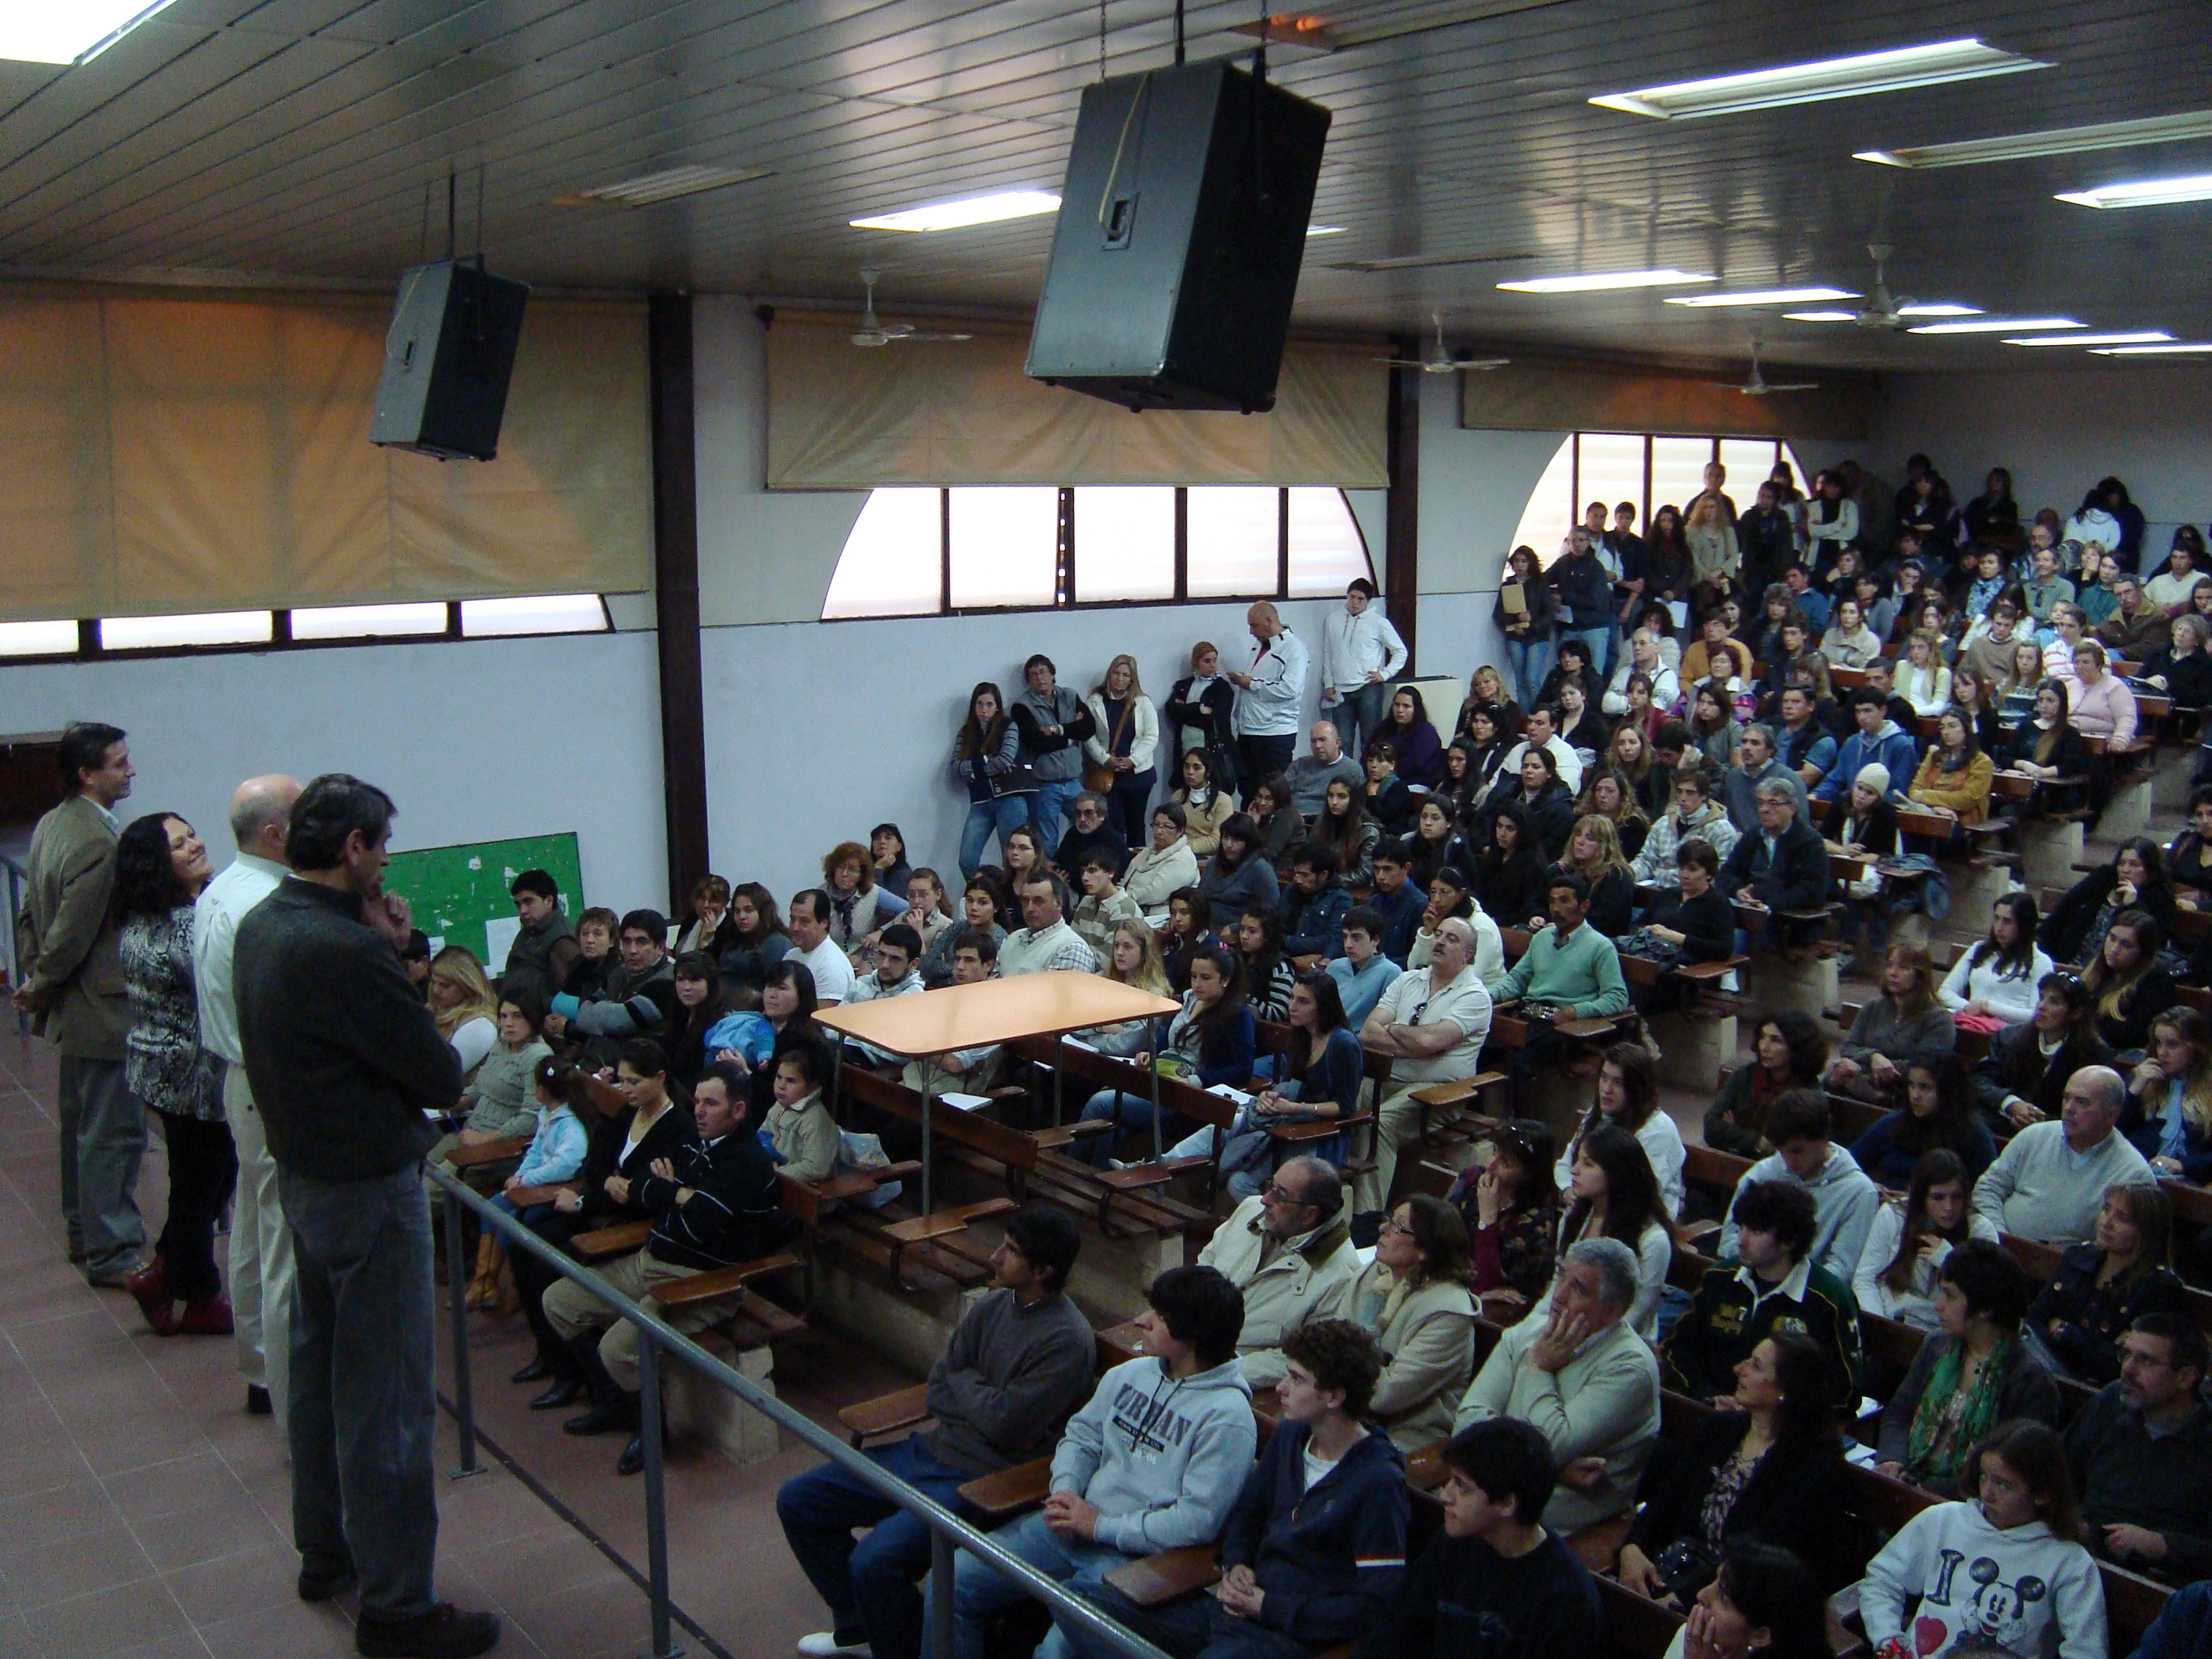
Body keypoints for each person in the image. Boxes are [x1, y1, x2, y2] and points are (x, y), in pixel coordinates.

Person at [230, 773, 499, 1656]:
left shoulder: (268, 922)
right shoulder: (347, 953)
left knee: (316, 1375)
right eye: (382, 847)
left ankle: (327, 1553)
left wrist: (369, 938)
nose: (386, 864)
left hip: (306, 1178)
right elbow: (437, 1073)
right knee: (386, 1401)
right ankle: (397, 1609)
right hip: (370, 1190)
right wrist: (387, 953)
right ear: (352, 848)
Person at [781, 1208, 1094, 1659]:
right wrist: (979, 1397)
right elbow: (938, 1389)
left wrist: (967, 1388)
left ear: (1043, 1270)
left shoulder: (1066, 1341)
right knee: (799, 1501)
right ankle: (862, 1627)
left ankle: (905, 1647)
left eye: (1010, 1251)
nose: (995, 1256)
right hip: (931, 1449)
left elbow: (1005, 1426)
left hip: (981, 1479)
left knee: (875, 1562)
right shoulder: (991, 1307)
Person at [945, 1266, 1256, 1659]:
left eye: (1157, 1316)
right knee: (952, 1580)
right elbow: (1082, 1437)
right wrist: (1065, 1492)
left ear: (1190, 1338)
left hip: (1136, 1558)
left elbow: (1197, 1521)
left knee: (1055, 1653)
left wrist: (1100, 1526)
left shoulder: (1228, 1419)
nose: (1141, 1320)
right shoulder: (1132, 1372)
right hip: (1069, 1524)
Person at [1056, 1318, 1407, 1659]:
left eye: (1297, 1379)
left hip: (1283, 1637)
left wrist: (1269, 1606)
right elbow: (1249, 1514)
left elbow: (1374, 1605)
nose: (1281, 1387)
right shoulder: (1291, 1436)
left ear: (1333, 1396)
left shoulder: (1378, 1482)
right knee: (1079, 1602)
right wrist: (1237, 1563)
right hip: (1230, 1609)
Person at [544, 1060, 795, 1474]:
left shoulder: (746, 1163)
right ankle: (616, 1402)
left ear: (738, 1110)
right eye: (697, 1101)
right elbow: (640, 1184)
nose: (698, 1111)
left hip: (703, 1281)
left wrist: (672, 1190)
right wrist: (678, 1192)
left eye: (711, 1104)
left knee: (618, 1348)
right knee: (558, 1302)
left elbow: (700, 1220)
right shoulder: (697, 1143)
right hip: (652, 1261)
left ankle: (651, 1427)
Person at [13, 722, 143, 1287]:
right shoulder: (97, 841)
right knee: (112, 1133)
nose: (130, 770)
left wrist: (37, 977)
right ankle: (112, 1249)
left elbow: (27, 916)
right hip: (102, 1006)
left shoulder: (51, 823)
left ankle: (82, 1233)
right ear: (88, 774)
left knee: (80, 1128)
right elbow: (72, 929)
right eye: (119, 763)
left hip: (72, 1004)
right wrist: (42, 981)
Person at [192, 773, 302, 1422]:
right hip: (267, 1078)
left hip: (240, 1077)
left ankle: (260, 1365)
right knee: (280, 1238)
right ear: (273, 833)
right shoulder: (265, 904)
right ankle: (293, 1404)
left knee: (255, 1229)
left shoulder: (221, 889)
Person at [1619, 1332, 1851, 1606]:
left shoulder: (1813, 1465)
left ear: (1785, 1390)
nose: (1738, 1369)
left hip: (1736, 1599)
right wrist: (1632, 1549)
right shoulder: (1721, 1429)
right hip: (1672, 1567)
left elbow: (1760, 1557)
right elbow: (1666, 1500)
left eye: (1755, 1365)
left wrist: (1681, 1598)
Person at [113, 811, 234, 1337]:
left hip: (156, 1071)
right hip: (192, 1078)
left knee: (198, 1183)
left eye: (192, 835)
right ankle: (199, 1293)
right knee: (202, 1187)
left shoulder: (141, 920)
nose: (195, 845)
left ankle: (163, 1273)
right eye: (180, 844)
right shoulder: (187, 925)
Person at [1453, 1237, 1661, 1536]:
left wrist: (1539, 1368)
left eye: (1578, 1288)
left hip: (1555, 1530)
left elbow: (1554, 1444)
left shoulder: (1630, 1368)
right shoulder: (1530, 1331)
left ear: (1613, 1311)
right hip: (1488, 1502)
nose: (1559, 1296)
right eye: (1561, 1276)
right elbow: (1466, 1422)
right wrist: (1557, 1471)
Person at [1352, 1417, 1601, 1659]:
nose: (1445, 1495)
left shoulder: (1566, 1600)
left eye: (1462, 1487)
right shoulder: (1454, 1543)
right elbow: (1396, 1632)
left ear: (1506, 1503)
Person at [1859, 1421, 2106, 1659]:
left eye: (2003, 1485)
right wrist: (1888, 1641)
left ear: (2042, 1494)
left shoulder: (2068, 1561)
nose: (1987, 1494)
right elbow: (1882, 1580)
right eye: (1984, 1476)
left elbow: (2086, 1651)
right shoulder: (1944, 1520)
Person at [1876, 1241, 2059, 1496]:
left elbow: (2014, 1471)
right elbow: (1900, 1413)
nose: (1938, 1305)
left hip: (1971, 1505)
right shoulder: (1936, 1345)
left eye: (1950, 1295)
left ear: (1985, 1308)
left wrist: (1931, 1490)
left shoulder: (2028, 1378)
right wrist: (1892, 1460)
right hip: (1909, 1480)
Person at [1664, 1179, 1861, 1410]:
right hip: (1710, 1410)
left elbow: (1843, 1389)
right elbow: (1678, 1348)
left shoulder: (1829, 1299)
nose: (1741, 1241)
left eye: (1756, 1231)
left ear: (1789, 1241)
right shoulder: (1720, 1278)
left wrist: (1769, 1412)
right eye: (1741, 1228)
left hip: (1784, 1428)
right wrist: (1706, 1396)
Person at [1355, 917, 1494, 1226]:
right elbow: (1368, 1031)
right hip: (1387, 1078)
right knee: (1342, 1104)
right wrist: (1413, 1044)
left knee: (1378, 1126)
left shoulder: (1474, 996)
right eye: (1439, 935)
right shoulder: (1408, 980)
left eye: (1453, 939)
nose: (1441, 942)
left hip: (1437, 1093)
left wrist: (1396, 1032)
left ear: (1469, 956)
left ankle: (1367, 1221)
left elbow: (1431, 1040)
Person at [1069, 944, 1253, 1165]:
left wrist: (1197, 1080)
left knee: (1102, 1103)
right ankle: (1091, 1180)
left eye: (1205, 978)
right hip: (1161, 1076)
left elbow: (1243, 1070)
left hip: (1185, 1097)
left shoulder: (1238, 1016)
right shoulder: (1189, 1000)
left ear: (1225, 980)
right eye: (1194, 977)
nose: (1197, 984)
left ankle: (1068, 1166)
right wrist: (1150, 1053)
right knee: (1110, 1129)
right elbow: (1167, 1039)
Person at [2064, 1313, 2212, 1585]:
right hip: (2081, 1559)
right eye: (2126, 1354)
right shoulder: (2111, 1402)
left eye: (2145, 1360)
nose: (2128, 1370)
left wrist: (2163, 1545)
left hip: (2162, 1585)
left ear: (2186, 1377)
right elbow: (2059, 1472)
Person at [1194, 1156, 1362, 1388]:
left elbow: (1300, 1358)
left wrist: (1213, 1373)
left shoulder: (1342, 1275)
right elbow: (1207, 1261)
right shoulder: (1250, 1210)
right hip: (1185, 1342)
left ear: (1309, 1215)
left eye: (1280, 1196)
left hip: (1232, 1380)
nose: (1265, 1199)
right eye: (1269, 1186)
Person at [1344, 1194, 1478, 1450]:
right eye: (1389, 1220)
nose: (1383, 1228)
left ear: (1426, 1249)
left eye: (1398, 1226)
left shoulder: (1450, 1311)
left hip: (1407, 1435)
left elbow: (1386, 1394)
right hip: (1345, 1408)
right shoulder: (1373, 1273)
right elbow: (1329, 1340)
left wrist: (1333, 1375)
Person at [2026, 1183, 2188, 1385]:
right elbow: (2035, 1318)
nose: (2107, 1222)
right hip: (2044, 1363)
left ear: (2147, 1232)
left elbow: (2116, 1362)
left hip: (2102, 1389)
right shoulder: (2079, 1257)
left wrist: (2063, 1332)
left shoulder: (2159, 1287)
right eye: (2106, 1210)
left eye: (2122, 1218)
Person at [1973, 1066, 2155, 1244]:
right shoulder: (2035, 1135)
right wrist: (1998, 1239)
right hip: (2000, 1252)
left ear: (2111, 1115)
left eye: (2082, 1102)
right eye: (2066, 1098)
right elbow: (1988, 1189)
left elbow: (2127, 1244)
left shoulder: (2133, 1173)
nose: (2069, 1108)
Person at [1715, 1091, 1881, 1282]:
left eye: (1797, 1151)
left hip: (1810, 1298)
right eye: (1781, 1151)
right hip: (1749, 1280)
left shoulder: (1858, 1191)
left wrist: (1784, 1280)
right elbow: (1729, 1241)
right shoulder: (1761, 1174)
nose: (1789, 1162)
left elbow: (1842, 1269)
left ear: (1823, 1139)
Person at [1856, 1149, 2002, 1331]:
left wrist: (1950, 1261)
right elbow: (1865, 1278)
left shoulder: (1980, 1229)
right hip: (1890, 1319)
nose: (1948, 1207)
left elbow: (1990, 1296)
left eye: (1957, 1197)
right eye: (1938, 1198)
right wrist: (1880, 1325)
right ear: (1921, 1196)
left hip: (1945, 1332)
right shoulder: (1895, 1215)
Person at [1550, 1125, 1675, 1338]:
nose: (1574, 1170)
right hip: (1562, 1332)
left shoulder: (1653, 1240)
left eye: (1588, 1164)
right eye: (1577, 1160)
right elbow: (1555, 1291)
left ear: (1616, 1173)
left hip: (1618, 1348)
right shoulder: (1574, 1218)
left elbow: (1633, 1317)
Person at [1555, 1041, 1684, 1220]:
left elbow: (1642, 1195)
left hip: (1640, 1223)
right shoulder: (1597, 1114)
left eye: (1618, 1083)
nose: (1607, 1090)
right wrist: (1568, 1190)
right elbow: (1566, 1163)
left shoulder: (1659, 1130)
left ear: (1637, 1088)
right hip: (1591, 1210)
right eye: (1604, 1078)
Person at [1974, 973, 2112, 1133]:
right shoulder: (2008, 1038)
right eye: (2041, 998)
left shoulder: (2094, 1055)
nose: (2041, 1006)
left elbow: (2092, 1111)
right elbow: (1980, 1080)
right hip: (2004, 1120)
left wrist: (2039, 1121)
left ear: (2076, 1013)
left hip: (2059, 1133)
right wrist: (2010, 1103)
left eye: (2054, 1002)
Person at [1452, 1118, 1560, 1309]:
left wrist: (1487, 1219)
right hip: (1449, 1288)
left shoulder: (1535, 1222)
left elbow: (1490, 1282)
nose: (1490, 1166)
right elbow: (1433, 1237)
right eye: (1494, 1151)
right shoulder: (1471, 1178)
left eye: (1505, 1163)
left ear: (1527, 1174)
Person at [1827, 945, 1956, 1104]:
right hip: (1862, 1081)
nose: (1893, 973)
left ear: (1920, 976)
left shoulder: (1938, 1019)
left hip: (1907, 1093)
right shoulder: (1873, 1007)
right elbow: (1849, 1047)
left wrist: (1866, 1067)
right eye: (1890, 965)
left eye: (1903, 968)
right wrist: (1873, 1057)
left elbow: (1927, 1066)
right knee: (1833, 1078)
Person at [1851, 1057, 1997, 1189]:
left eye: (1925, 1088)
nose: (1915, 1096)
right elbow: (1851, 1164)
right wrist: (1875, 1188)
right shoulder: (1896, 1122)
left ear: (1947, 1092)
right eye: (1911, 1086)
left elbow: (1986, 1189)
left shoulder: (1974, 1134)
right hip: (1888, 1205)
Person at [1012, 654, 1100, 857]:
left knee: (1090, 830)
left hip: (1074, 780)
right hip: (1045, 784)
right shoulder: (1022, 706)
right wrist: (1071, 734)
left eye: (1043, 672)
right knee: (1047, 841)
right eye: (1033, 675)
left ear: (1053, 674)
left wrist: (1055, 730)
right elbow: (1035, 743)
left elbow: (1088, 728)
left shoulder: (1070, 696)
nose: (1039, 678)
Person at [547, 907, 677, 1043]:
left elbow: (617, 1022)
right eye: (627, 942)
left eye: (641, 942)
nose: (632, 950)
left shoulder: (664, 982)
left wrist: (600, 1013)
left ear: (661, 948)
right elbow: (583, 1016)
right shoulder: (619, 973)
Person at [1228, 601, 1310, 800]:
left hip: (1275, 734)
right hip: (1248, 729)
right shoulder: (1259, 646)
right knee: (1248, 789)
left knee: (1273, 793)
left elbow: (1290, 689)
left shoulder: (1294, 649)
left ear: (1269, 621)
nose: (1250, 631)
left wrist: (1251, 684)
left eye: (1254, 625)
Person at [1320, 578, 1411, 758]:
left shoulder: (1379, 623)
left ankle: (1370, 781)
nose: (1354, 602)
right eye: (1352, 597)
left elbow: (1401, 651)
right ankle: (1345, 783)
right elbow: (1328, 653)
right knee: (1342, 741)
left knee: (1370, 740)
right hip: (1341, 689)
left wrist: (1385, 674)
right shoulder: (1333, 620)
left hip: (1368, 687)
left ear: (1368, 601)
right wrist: (1328, 683)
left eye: (1360, 599)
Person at [954, 681, 1036, 878]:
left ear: (997, 706)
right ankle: (989, 897)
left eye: (989, 704)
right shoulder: (966, 732)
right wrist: (985, 762)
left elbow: (1005, 759)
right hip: (980, 801)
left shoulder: (1009, 726)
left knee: (1013, 860)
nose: (984, 710)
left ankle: (1012, 901)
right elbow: (956, 768)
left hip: (1009, 797)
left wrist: (974, 769)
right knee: (967, 860)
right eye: (979, 704)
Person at [1941, 893, 2053, 1031]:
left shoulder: (2041, 962)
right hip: (1970, 1023)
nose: (1999, 927)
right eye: (1996, 919)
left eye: (2007, 921)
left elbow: (2035, 1014)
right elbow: (1945, 991)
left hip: (2009, 1033)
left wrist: (1988, 1007)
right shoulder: (1979, 949)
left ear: (2024, 925)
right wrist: (1967, 1007)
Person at [2123, 1007, 2212, 1179]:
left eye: (2172, 1045)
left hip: (2191, 1180)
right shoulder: (2143, 1079)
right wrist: (2134, 1092)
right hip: (2139, 1172)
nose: (2162, 1053)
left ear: (2196, 1047)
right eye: (2158, 1043)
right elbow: (2113, 1134)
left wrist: (2184, 1165)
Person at [1084, 652, 1161, 845]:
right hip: (1109, 774)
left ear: (1132, 679)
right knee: (1113, 825)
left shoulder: (1143, 702)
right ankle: (1115, 868)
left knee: (1136, 824)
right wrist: (1104, 759)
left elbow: (1151, 736)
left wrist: (1133, 760)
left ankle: (1137, 868)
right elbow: (1088, 735)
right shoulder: (1095, 701)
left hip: (1138, 773)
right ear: (1109, 676)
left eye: (1125, 675)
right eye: (1116, 673)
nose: (1120, 679)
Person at [2077, 910, 2178, 1056]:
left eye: (2126, 945)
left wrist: (2084, 1026)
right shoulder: (2096, 970)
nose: (2114, 949)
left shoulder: (2156, 981)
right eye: (2112, 938)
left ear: (2143, 952)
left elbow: (2136, 1034)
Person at [1631, 766, 1740, 890]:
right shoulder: (1663, 824)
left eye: (1690, 793)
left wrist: (1666, 876)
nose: (1683, 798)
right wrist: (1628, 874)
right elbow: (1646, 860)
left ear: (1703, 796)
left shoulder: (1722, 830)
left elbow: (1719, 875)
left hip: (1697, 897)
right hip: (1657, 892)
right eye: (1679, 791)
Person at [998, 871, 1104, 976]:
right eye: (1025, 900)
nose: (1029, 908)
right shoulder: (1012, 939)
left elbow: (1057, 993)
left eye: (1038, 901)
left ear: (1058, 903)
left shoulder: (1072, 949)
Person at [500, 867, 578, 1001]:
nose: (523, 910)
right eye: (518, 905)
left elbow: (572, 995)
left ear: (548, 901)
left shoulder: (562, 941)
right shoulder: (529, 931)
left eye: (529, 902)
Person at [1125, 804, 1202, 923]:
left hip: (1157, 916)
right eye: (1156, 825)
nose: (1159, 831)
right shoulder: (1150, 850)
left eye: (1167, 827)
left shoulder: (1184, 859)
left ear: (1180, 831)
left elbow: (1155, 894)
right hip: (1132, 906)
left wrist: (1123, 899)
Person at [1164, 641, 1238, 765]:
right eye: (1207, 661)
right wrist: (1199, 709)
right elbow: (1172, 711)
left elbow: (1217, 720)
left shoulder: (1223, 688)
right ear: (1196, 662)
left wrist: (1185, 711)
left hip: (1212, 750)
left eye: (1215, 660)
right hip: (1185, 746)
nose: (1213, 665)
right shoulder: (1183, 685)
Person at [782, 889, 859, 1005]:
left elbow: (821, 1019)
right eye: (793, 920)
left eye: (804, 922)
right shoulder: (791, 955)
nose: (795, 928)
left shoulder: (832, 966)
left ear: (824, 923)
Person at [1324, 907, 1398, 1028]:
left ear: (1375, 940)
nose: (1348, 945)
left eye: (1356, 938)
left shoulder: (1391, 973)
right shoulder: (1334, 967)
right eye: (1345, 937)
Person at [1282, 720, 1364, 821]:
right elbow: (1281, 795)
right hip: (1293, 819)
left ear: (1337, 743)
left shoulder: (1352, 769)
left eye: (1323, 740)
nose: (1318, 746)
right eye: (1313, 741)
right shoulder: (1299, 764)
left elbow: (1357, 807)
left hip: (1326, 823)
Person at [1305, 781, 1379, 891]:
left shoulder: (1368, 831)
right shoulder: (1322, 820)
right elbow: (1309, 852)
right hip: (1320, 883)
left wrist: (1331, 881)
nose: (1334, 802)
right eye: (1330, 796)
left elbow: (1365, 874)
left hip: (1349, 889)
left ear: (1353, 800)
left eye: (1341, 797)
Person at [1279, 848, 1350, 962]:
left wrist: (1286, 941)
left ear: (1323, 875)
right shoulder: (1292, 890)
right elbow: (1277, 920)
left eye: (1305, 876)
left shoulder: (1340, 899)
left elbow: (1333, 940)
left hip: (1313, 958)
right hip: (1283, 953)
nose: (1298, 880)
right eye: (1296, 874)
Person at [1364, 840, 1427, 965]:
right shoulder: (1371, 903)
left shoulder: (1420, 906)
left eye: (1387, 869)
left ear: (1406, 868)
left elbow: (1415, 958)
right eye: (1377, 869)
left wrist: (1378, 966)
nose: (1380, 876)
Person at [1071, 851, 1143, 959]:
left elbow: (1109, 961)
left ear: (1111, 873)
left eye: (1092, 871)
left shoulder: (1123, 910)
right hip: (1083, 969)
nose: (1085, 878)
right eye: (1082, 872)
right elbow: (1071, 941)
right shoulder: (1086, 902)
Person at [1053, 793, 1130, 888]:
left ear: (1101, 815)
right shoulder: (1072, 834)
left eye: (1088, 813)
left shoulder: (1114, 840)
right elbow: (1058, 861)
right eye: (1078, 814)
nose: (1082, 819)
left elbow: (1117, 876)